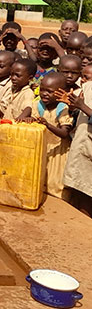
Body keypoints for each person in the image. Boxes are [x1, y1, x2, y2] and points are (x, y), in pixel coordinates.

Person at [28, 73, 72, 198]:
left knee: (55, 183)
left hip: (57, 151)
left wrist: (48, 125)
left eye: (50, 91)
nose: (44, 94)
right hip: (42, 147)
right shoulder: (38, 104)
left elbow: (64, 133)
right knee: (40, 179)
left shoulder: (62, 108)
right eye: (42, 90)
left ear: (60, 93)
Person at [61, 83, 92, 216]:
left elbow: (84, 109)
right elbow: (78, 115)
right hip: (83, 146)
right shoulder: (88, 87)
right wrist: (73, 107)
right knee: (81, 189)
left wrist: (82, 106)